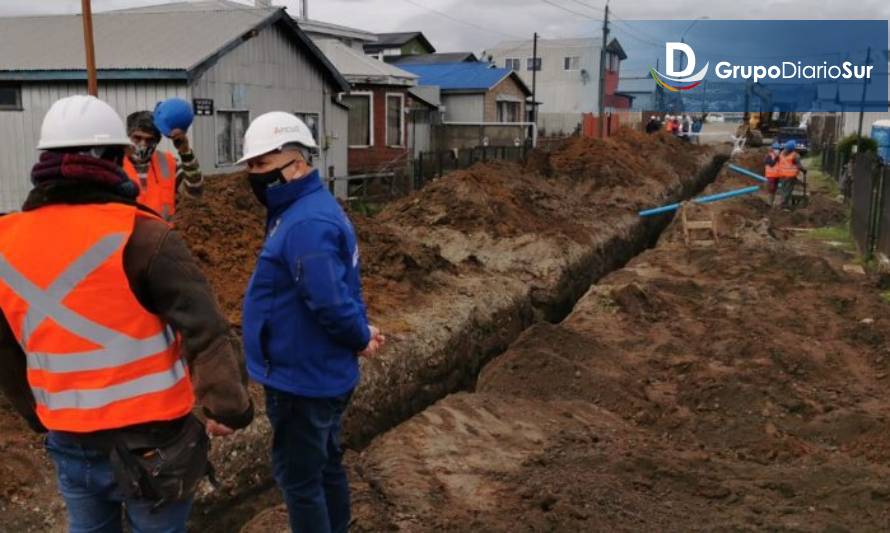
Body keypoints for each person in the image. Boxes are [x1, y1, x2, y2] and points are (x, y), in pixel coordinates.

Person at [0, 95, 254, 532]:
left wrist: (34, 414)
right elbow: (206, 331)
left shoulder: (6, 240)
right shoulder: (145, 236)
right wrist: (228, 407)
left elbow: (5, 352)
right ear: (117, 157)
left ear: (44, 159)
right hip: (155, 440)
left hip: (70, 437)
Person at [239, 112, 384, 533]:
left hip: (302, 377)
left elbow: (331, 301)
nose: (254, 175)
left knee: (301, 480)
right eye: (251, 165)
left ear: (297, 164)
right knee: (323, 465)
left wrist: (358, 335)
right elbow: (337, 289)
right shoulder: (304, 209)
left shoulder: (305, 222)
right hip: (313, 369)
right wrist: (360, 331)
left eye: (262, 165)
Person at [123, 110, 203, 221]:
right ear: (128, 137)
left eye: (149, 139)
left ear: (157, 141)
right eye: (137, 138)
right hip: (128, 235)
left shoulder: (167, 163)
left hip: (162, 234)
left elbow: (194, 191)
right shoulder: (113, 164)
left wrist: (186, 153)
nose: (143, 144)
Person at [776, 139, 807, 209]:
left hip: (782, 175)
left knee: (783, 189)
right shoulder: (795, 155)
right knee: (788, 190)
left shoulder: (781, 153)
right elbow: (799, 166)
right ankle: (784, 204)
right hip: (790, 177)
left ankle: (783, 203)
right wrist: (804, 170)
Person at [764, 141, 783, 207]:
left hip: (777, 176)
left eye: (778, 149)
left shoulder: (780, 157)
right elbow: (771, 164)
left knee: (774, 189)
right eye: (776, 149)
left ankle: (771, 203)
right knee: (771, 189)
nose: (777, 150)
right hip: (770, 176)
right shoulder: (768, 156)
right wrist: (776, 159)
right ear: (772, 149)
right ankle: (769, 203)